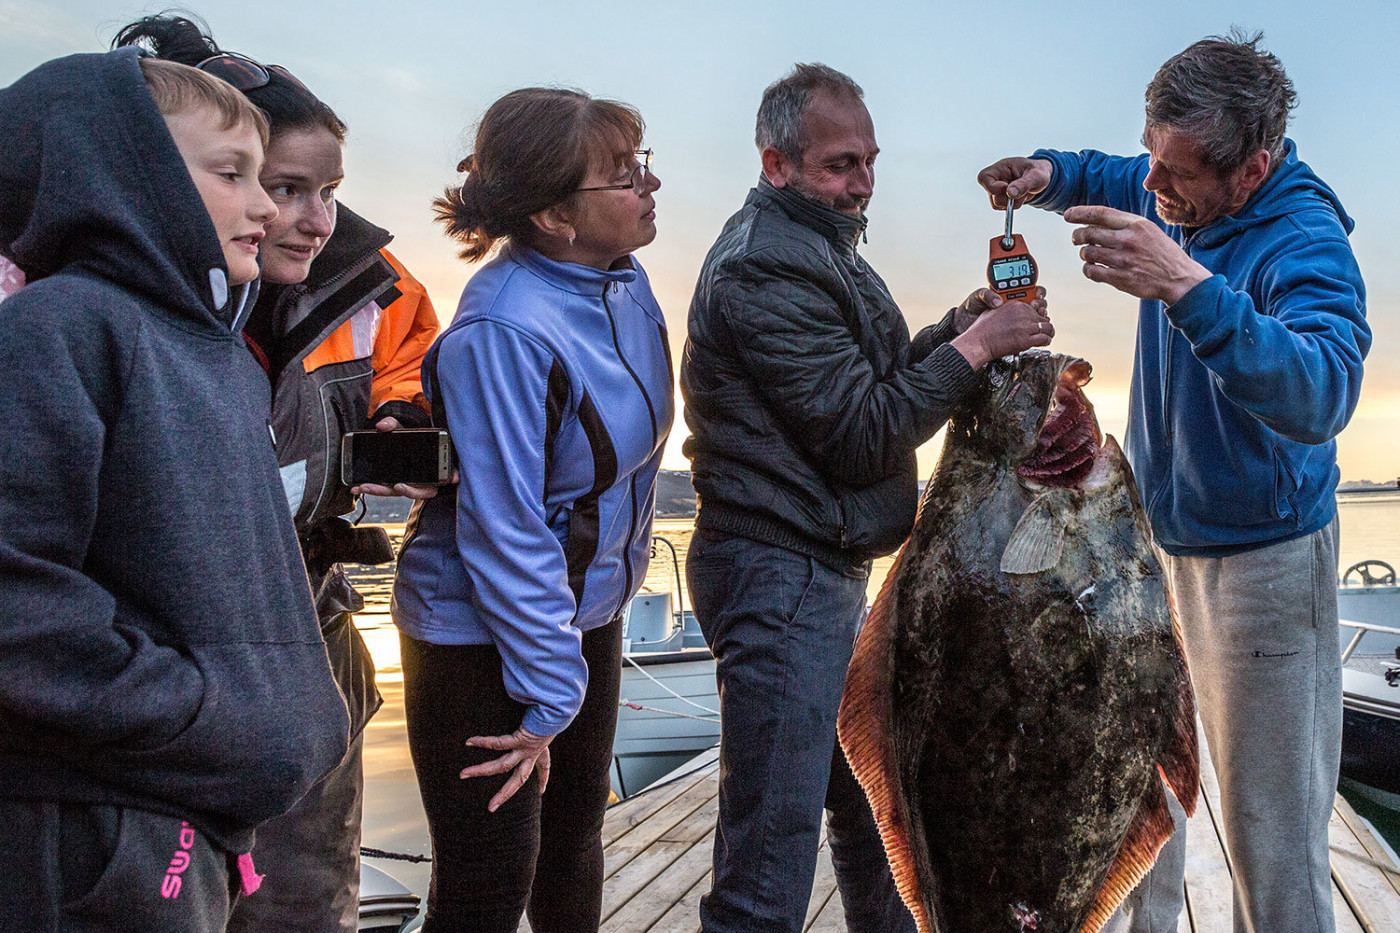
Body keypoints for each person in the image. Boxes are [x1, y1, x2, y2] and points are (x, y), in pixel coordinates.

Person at [978, 30, 1369, 933]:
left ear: (1253, 166)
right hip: (1149, 555)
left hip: (1265, 563)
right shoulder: (1171, 183)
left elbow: (1322, 390)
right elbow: (1117, 173)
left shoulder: (1303, 238)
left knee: (1270, 833)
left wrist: (1188, 288)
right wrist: (1049, 173)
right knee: (1138, 801)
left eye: (1178, 173)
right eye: (1153, 156)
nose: (1153, 189)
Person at [680, 63, 1054, 933]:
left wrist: (959, 327)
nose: (862, 183)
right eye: (840, 165)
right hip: (779, 576)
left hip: (824, 571)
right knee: (769, 855)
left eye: (870, 161)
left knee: (875, 816)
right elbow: (861, 428)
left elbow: (874, 376)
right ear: (776, 164)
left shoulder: (819, 245)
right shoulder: (764, 266)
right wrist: (976, 353)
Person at [0, 50, 349, 933]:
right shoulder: (61, 328)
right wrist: (191, 713)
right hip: (99, 824)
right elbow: (14, 585)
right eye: (232, 174)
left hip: (196, 814)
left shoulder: (220, 356)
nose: (268, 207)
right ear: (120, 174)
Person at [112, 16, 441, 932]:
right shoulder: (108, 308)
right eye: (278, 186)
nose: (305, 216)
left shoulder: (365, 280)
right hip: (169, 655)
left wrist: (401, 415)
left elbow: (413, 343)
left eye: (326, 189)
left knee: (305, 897)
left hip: (311, 620)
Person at [391, 87, 673, 932]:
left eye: (643, 165)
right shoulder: (504, 332)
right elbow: (504, 528)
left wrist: (579, 653)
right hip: (475, 635)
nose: (650, 187)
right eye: (624, 175)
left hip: (585, 610)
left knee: (574, 841)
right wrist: (551, 696)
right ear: (555, 213)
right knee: (489, 877)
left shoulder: (623, 283)